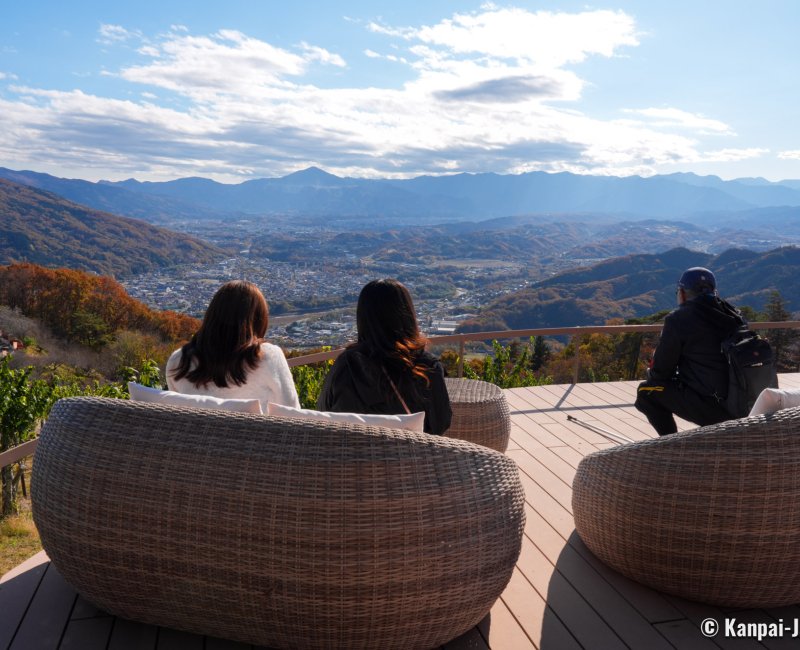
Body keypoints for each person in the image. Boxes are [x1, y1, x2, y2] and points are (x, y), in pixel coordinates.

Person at [317, 279, 452, 435]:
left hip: (350, 454)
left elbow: (323, 413)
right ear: (407, 314)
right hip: (414, 456)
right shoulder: (426, 366)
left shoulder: (347, 364)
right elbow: (441, 423)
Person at [634, 267, 745, 436]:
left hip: (716, 408)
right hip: (746, 403)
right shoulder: (734, 316)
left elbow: (660, 372)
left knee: (646, 392)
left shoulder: (678, 319)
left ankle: (671, 445)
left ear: (683, 293)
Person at [166, 280, 300, 410]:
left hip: (194, 432)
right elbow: (292, 412)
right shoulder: (267, 356)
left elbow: (177, 410)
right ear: (257, 318)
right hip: (256, 433)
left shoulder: (178, 361)